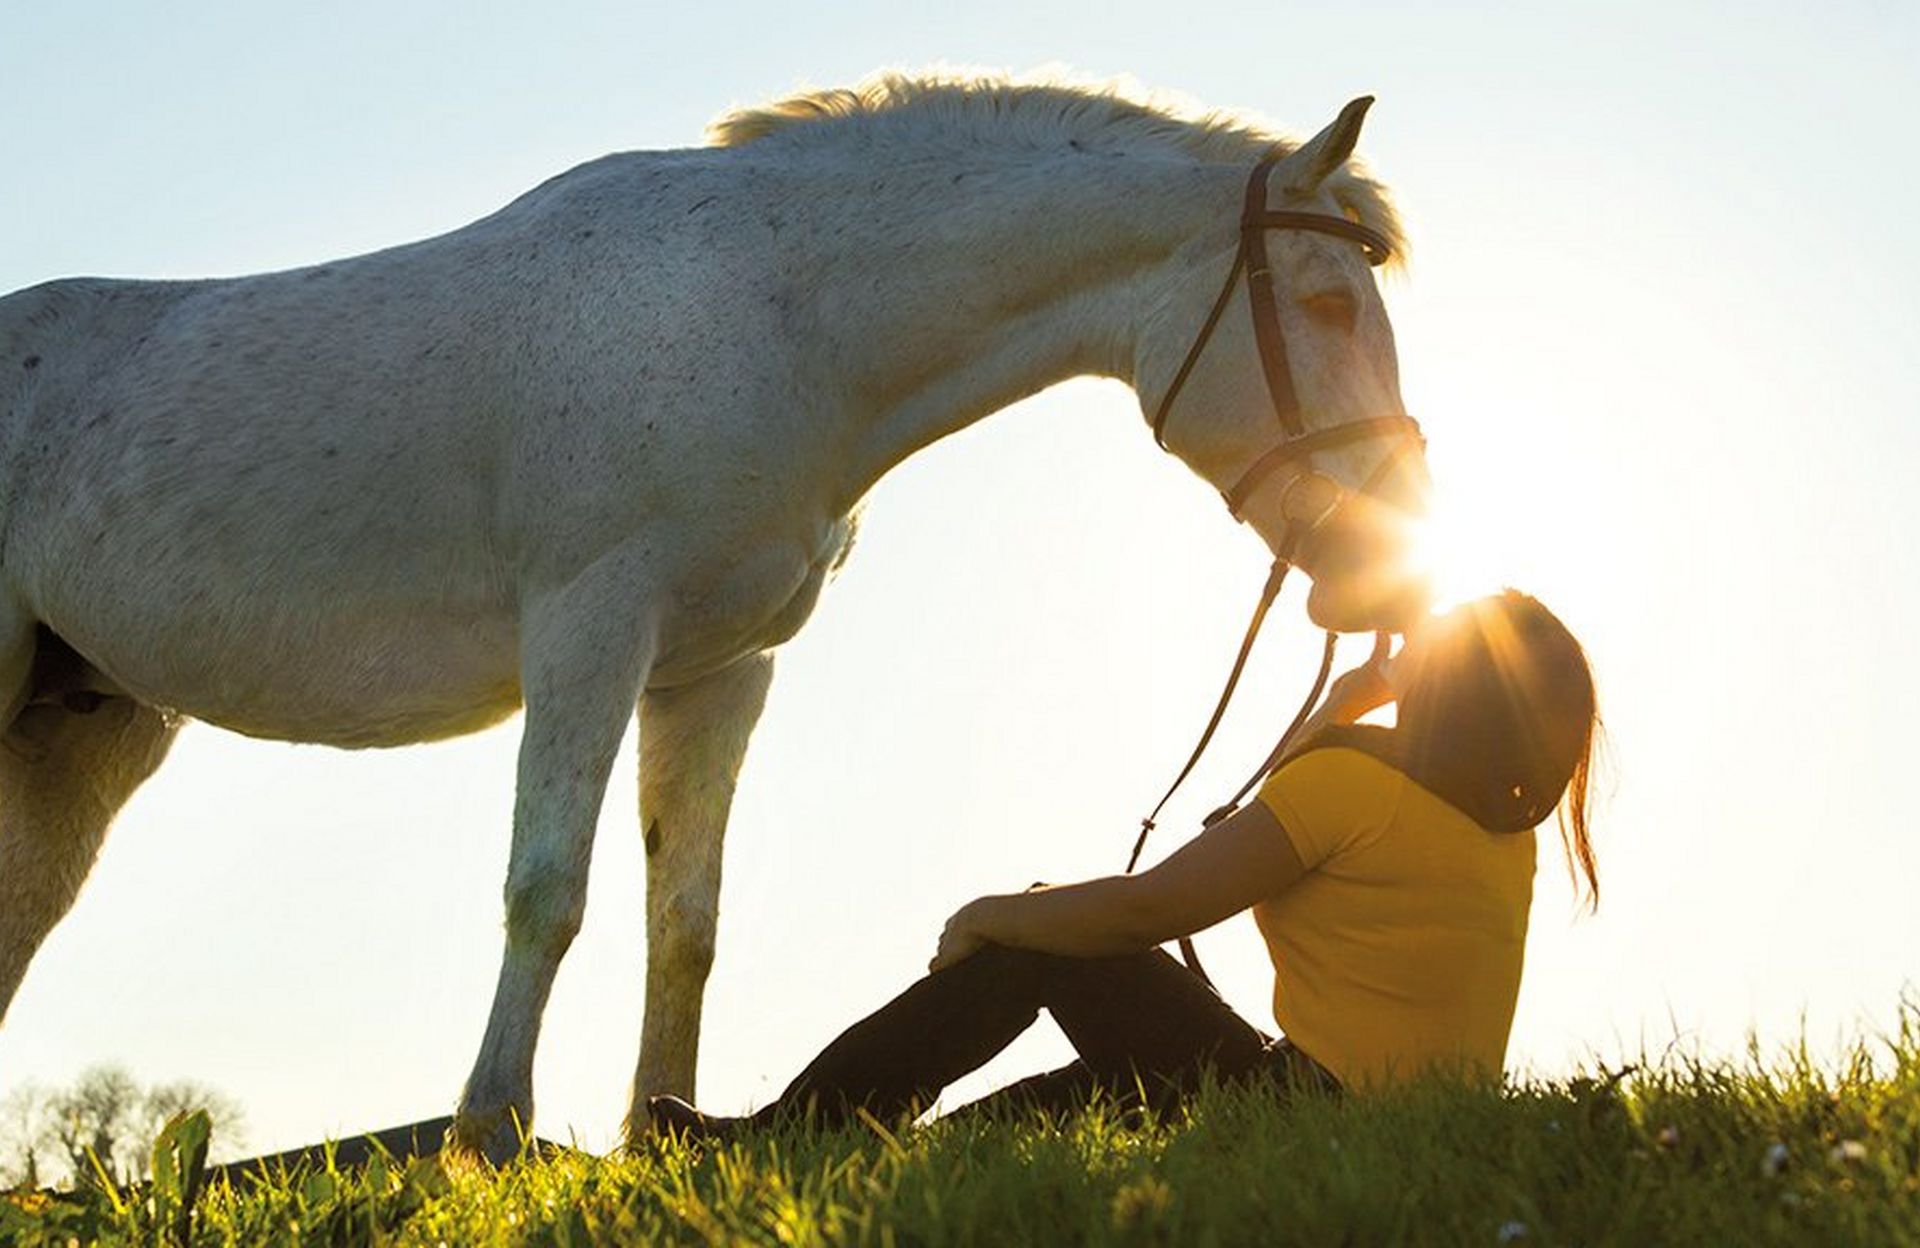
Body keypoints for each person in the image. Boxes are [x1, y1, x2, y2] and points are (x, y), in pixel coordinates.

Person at [649, 589, 1601, 1138]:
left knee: (1049, 934)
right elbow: (1312, 795)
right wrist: (1355, 700)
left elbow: (1148, 911)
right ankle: (845, 1147)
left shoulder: (1359, 789)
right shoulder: (1500, 838)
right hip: (1343, 1113)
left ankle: (782, 1138)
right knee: (989, 1140)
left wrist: (995, 912)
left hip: (1291, 1107)